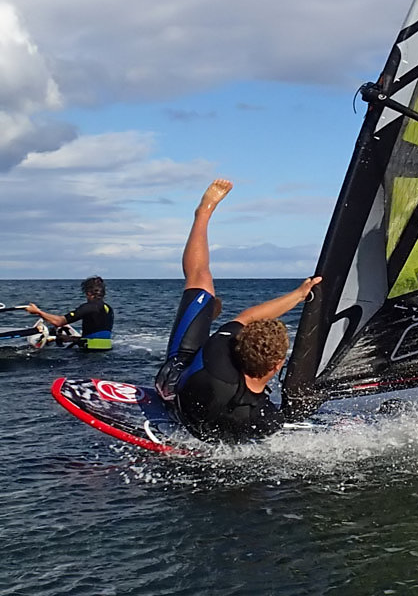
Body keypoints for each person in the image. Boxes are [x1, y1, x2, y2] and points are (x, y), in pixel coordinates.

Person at [154, 179, 321, 444]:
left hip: (176, 388)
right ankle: (203, 214)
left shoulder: (218, 352)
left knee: (200, 280)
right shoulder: (266, 417)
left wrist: (297, 295)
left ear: (239, 347)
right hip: (193, 405)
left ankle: (204, 212)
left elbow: (247, 317)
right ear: (278, 365)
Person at [26, 276, 114, 350]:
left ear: (88, 293)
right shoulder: (108, 309)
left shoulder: (88, 307)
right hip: (106, 350)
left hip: (89, 354)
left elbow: (59, 322)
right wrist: (71, 339)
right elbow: (97, 338)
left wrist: (37, 311)